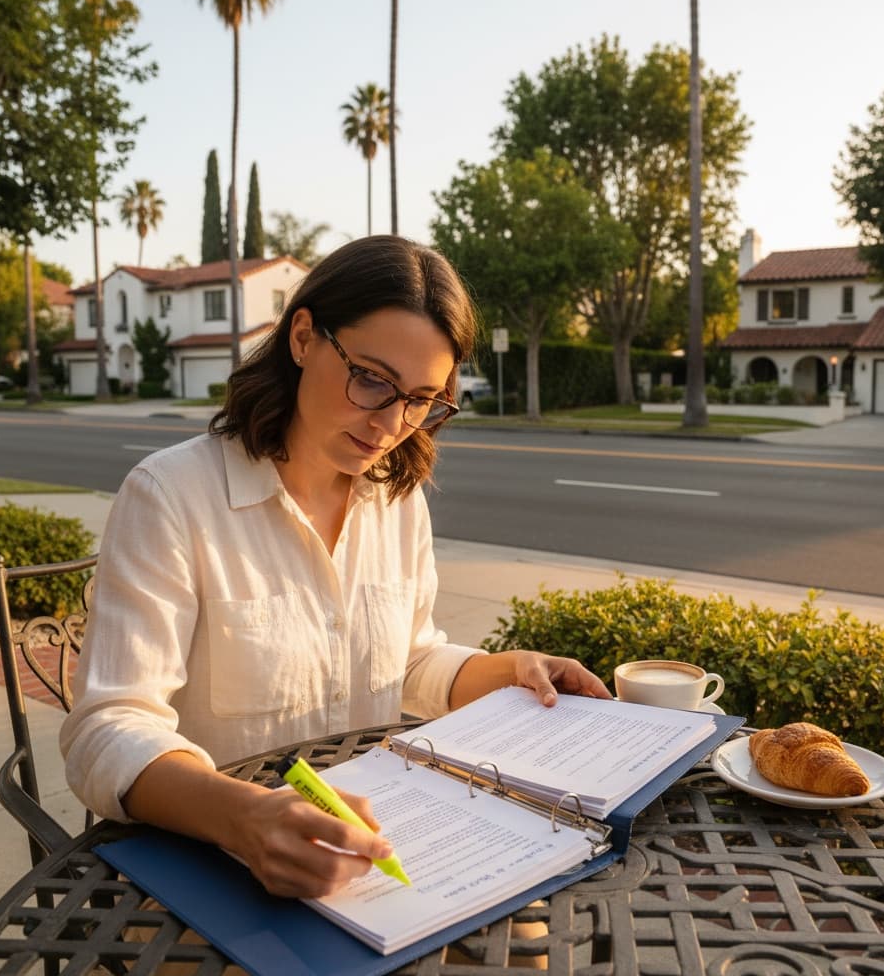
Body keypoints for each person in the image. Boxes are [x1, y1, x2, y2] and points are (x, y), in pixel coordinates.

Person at [61, 235, 611, 902]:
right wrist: (243, 817)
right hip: (209, 866)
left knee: (533, 939)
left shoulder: (396, 499)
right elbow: (107, 729)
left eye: (421, 400)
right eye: (372, 379)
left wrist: (511, 668)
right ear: (302, 338)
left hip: (372, 848)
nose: (391, 422)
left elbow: (405, 662)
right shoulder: (173, 497)